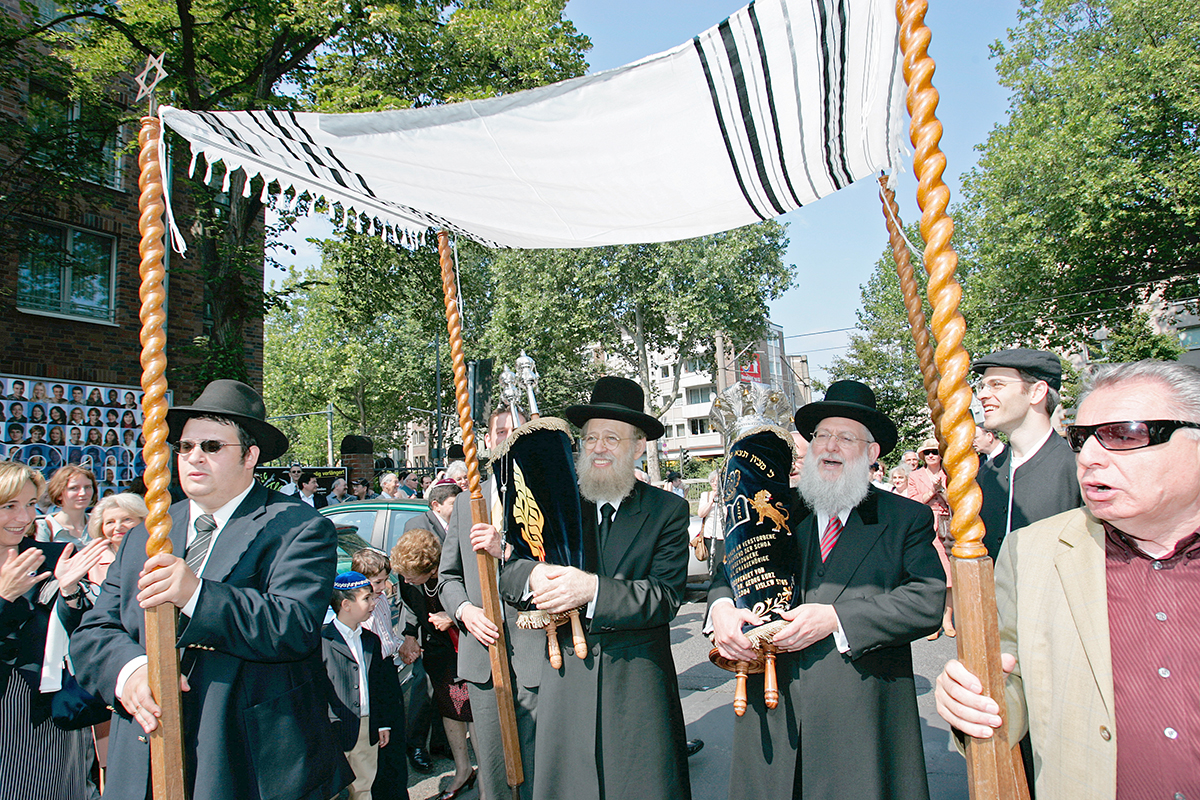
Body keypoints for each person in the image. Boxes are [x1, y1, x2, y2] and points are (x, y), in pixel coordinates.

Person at [70, 379, 352, 800]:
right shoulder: (146, 533)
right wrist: (129, 673)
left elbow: (292, 626)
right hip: (146, 758)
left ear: (250, 455)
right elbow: (95, 631)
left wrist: (197, 595)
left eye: (212, 446)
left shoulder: (298, 527)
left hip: (243, 759)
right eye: (185, 447)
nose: (193, 457)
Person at [935, 360, 1200, 800]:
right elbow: (1014, 685)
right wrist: (978, 705)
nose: (1090, 456)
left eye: (1124, 434)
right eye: (1083, 438)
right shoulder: (1030, 552)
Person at [709, 379, 944, 800]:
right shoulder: (781, 509)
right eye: (822, 436)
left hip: (860, 714)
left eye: (846, 437)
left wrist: (837, 618)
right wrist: (722, 609)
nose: (830, 446)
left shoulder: (904, 517)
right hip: (775, 706)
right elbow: (728, 572)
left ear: (872, 453)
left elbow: (926, 600)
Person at [500, 376, 691, 800]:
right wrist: (532, 576)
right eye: (590, 438)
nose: (598, 447)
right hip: (566, 683)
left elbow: (664, 597)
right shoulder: (559, 506)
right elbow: (509, 572)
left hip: (637, 691)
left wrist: (592, 591)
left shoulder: (668, 510)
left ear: (639, 446)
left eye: (612, 438)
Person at [438, 407, 543, 800]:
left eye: (517, 431)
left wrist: (508, 551)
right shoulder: (467, 502)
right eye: (501, 431)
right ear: (486, 440)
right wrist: (465, 612)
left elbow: (563, 566)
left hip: (537, 654)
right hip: (482, 658)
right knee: (495, 773)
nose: (508, 438)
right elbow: (447, 577)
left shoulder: (548, 497)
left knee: (537, 766)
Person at [0, 462, 108, 800]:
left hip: (47, 708)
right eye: (10, 506)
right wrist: (5, 598)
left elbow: (77, 631)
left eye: (31, 504)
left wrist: (71, 593)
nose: (23, 517)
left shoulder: (49, 557)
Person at [394, 529, 479, 800]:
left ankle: (489, 777)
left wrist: (453, 616)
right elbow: (410, 606)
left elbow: (482, 605)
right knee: (451, 708)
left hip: (466, 648)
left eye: (409, 576)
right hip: (438, 653)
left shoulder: (456, 570)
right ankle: (463, 769)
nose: (404, 581)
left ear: (430, 568)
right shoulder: (407, 577)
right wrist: (409, 635)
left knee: (473, 711)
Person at [973, 348, 1082, 557]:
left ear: (1037, 392)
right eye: (982, 386)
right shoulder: (987, 474)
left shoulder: (1078, 468)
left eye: (997, 384)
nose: (982, 395)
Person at [322, 571, 396, 800]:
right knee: (332, 790)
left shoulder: (370, 640)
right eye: (367, 598)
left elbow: (378, 685)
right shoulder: (323, 641)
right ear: (346, 604)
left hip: (366, 726)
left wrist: (382, 722)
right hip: (334, 729)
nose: (374, 603)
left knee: (364, 787)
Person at [351, 549, 409, 800]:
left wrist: (403, 646)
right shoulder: (359, 610)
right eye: (377, 582)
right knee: (380, 742)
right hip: (372, 673)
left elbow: (388, 636)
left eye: (385, 580)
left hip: (388, 669)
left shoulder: (382, 600)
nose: (383, 587)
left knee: (396, 738)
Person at [905, 438, 955, 639]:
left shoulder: (949, 473)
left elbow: (957, 499)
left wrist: (942, 491)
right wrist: (931, 491)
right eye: (927, 453)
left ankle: (947, 619)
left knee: (950, 576)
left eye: (935, 451)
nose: (931, 455)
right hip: (925, 525)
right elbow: (912, 501)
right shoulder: (915, 475)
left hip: (947, 525)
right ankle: (934, 622)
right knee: (933, 574)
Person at [85, 493, 148, 587]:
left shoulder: (156, 553)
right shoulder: (91, 560)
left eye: (127, 519)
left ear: (144, 521)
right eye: (110, 522)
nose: (118, 527)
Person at [36, 465, 97, 550]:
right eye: (74, 488)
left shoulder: (99, 523)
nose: (83, 493)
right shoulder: (45, 528)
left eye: (87, 487)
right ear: (59, 493)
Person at [697, 469, 725, 583]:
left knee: (724, 563)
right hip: (711, 535)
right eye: (712, 481)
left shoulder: (727, 496)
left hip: (724, 534)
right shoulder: (706, 495)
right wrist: (711, 502)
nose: (714, 483)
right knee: (713, 564)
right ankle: (715, 585)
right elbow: (700, 514)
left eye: (717, 481)